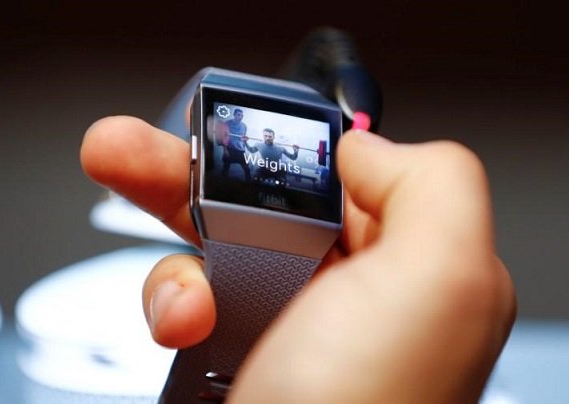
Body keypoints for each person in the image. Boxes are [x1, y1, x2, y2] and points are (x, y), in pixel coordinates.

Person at [80, 115, 516, 403]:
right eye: (266, 134)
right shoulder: (240, 150)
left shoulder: (288, 153)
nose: (268, 138)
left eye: (272, 135)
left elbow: (295, 157)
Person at [221, 108, 251, 181]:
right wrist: (225, 150)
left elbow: (242, 138)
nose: (240, 117)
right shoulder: (227, 123)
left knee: (247, 169)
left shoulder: (244, 126)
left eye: (241, 115)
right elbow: (223, 137)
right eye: (238, 115)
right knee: (226, 167)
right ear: (234, 115)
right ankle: (221, 183)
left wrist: (245, 145)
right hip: (230, 149)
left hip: (240, 150)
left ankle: (249, 184)